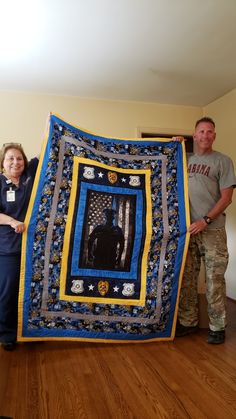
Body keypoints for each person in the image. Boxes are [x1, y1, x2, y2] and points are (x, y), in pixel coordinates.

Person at [174, 117, 236, 344]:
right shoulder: (183, 159)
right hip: (188, 231)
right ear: (194, 134)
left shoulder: (223, 161)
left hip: (212, 231)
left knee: (214, 280)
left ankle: (217, 327)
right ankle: (188, 322)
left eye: (210, 132)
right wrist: (175, 144)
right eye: (201, 131)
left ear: (214, 136)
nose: (205, 135)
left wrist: (206, 220)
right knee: (187, 279)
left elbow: (227, 198)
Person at [0, 143, 38, 351]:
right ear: (3, 163)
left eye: (19, 158)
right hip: (8, 248)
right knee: (8, 291)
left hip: (33, 247)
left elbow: (49, 147)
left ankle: (31, 331)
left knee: (32, 291)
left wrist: (50, 123)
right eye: (10, 159)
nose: (16, 162)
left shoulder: (29, 175)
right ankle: (7, 334)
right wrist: (12, 222)